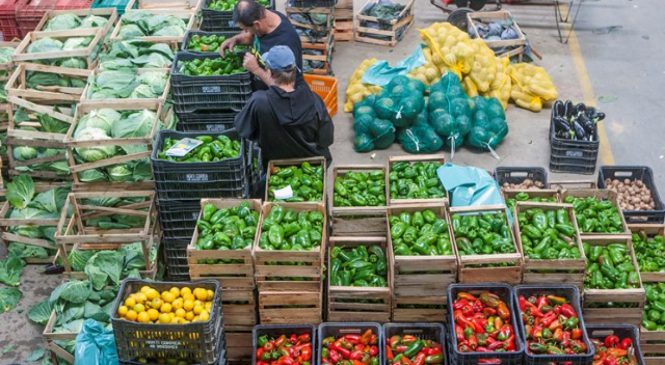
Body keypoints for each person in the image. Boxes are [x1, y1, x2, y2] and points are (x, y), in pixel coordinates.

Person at [234, 45, 333, 167]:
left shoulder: (259, 102)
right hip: (312, 169)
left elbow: (242, 130)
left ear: (269, 72)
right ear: (295, 71)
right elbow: (326, 139)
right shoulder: (314, 101)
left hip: (276, 171)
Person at [219, 0, 304, 90]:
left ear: (256, 25)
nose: (246, 32)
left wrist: (256, 70)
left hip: (276, 100)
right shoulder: (265, 17)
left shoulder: (286, 43)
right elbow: (251, 36)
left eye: (246, 29)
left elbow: (285, 89)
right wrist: (235, 39)